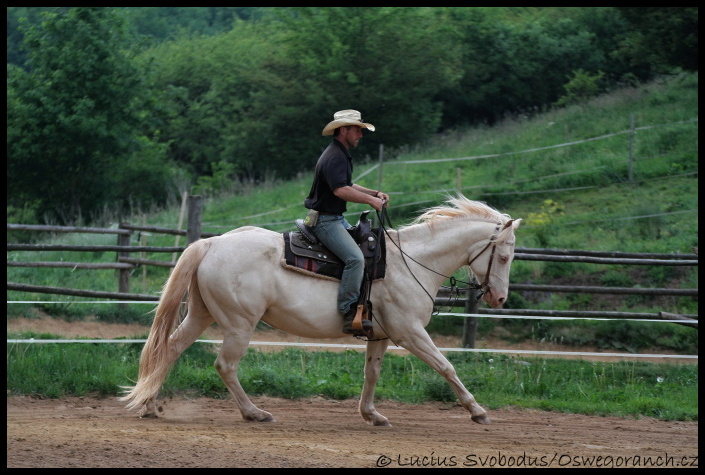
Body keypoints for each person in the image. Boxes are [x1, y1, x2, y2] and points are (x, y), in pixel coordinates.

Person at [304, 110, 389, 335]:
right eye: (357, 129)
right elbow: (340, 190)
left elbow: (348, 184)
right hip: (326, 221)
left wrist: (374, 192)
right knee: (355, 259)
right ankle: (349, 310)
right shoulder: (335, 156)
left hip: (333, 218)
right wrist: (372, 201)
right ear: (344, 130)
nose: (360, 135)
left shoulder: (337, 153)